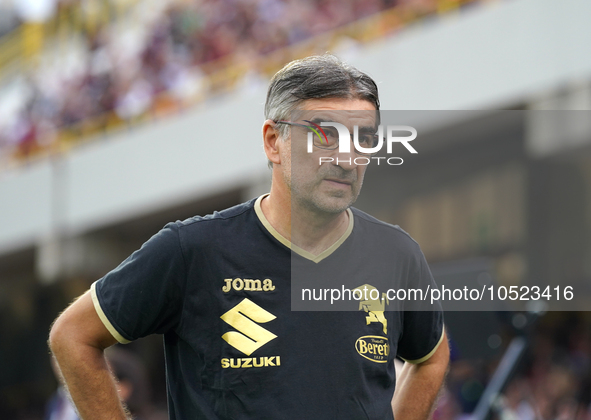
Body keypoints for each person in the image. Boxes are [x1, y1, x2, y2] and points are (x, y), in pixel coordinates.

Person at [49, 54, 449, 420]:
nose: (346, 158)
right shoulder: (193, 251)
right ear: (274, 142)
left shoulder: (396, 255)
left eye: (363, 138)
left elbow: (430, 356)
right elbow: (73, 336)